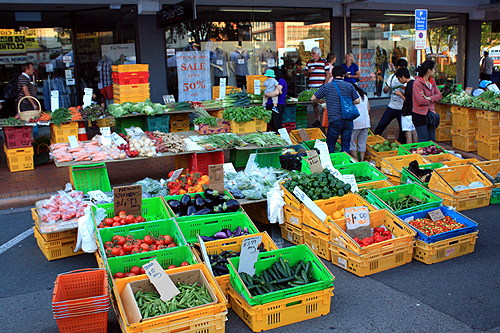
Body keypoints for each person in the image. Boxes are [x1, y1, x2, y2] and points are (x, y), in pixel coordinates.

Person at [311, 66, 360, 153]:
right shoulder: (349, 86)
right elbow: (357, 100)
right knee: (345, 146)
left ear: (332, 75)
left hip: (335, 119)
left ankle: (331, 164)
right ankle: (344, 165)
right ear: (344, 75)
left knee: (330, 146)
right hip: (348, 119)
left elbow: (313, 98)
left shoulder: (327, 86)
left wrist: (322, 101)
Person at [374, 58, 410, 143]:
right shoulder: (393, 77)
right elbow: (385, 90)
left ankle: (400, 144)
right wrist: (386, 89)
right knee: (382, 124)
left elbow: (410, 95)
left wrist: (403, 89)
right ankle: (375, 139)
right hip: (392, 106)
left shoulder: (410, 79)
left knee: (403, 129)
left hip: (402, 108)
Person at [412, 60, 442, 142]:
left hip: (431, 115)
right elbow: (420, 101)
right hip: (419, 115)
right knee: (423, 140)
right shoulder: (417, 83)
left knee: (432, 140)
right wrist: (433, 99)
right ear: (429, 70)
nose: (435, 71)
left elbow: (439, 95)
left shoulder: (433, 81)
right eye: (434, 69)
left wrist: (429, 98)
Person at [304, 47, 330, 127]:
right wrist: (309, 71)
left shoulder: (324, 62)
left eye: (313, 53)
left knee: (323, 103)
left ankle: (324, 120)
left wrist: (325, 85)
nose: (312, 55)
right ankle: (318, 119)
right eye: (312, 53)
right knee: (314, 104)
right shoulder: (309, 62)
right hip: (312, 86)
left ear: (318, 54)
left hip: (321, 86)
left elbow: (328, 74)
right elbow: (305, 73)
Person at [396, 67, 418, 144]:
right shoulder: (414, 83)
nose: (399, 81)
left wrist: (400, 94)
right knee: (414, 132)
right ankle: (416, 149)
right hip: (414, 112)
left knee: (408, 134)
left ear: (402, 77)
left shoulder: (409, 85)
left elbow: (408, 100)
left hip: (407, 112)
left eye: (399, 79)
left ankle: (409, 151)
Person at [350, 83, 370, 162]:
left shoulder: (352, 97)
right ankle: (362, 160)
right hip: (366, 122)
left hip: (356, 123)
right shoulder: (364, 96)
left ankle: (356, 160)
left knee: (351, 142)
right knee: (362, 142)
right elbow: (368, 109)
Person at [263, 67, 287, 132]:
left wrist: (266, 94)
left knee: (277, 125)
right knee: (273, 125)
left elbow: (277, 92)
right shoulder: (271, 82)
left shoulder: (280, 81)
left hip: (278, 105)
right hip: (271, 105)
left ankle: (281, 139)